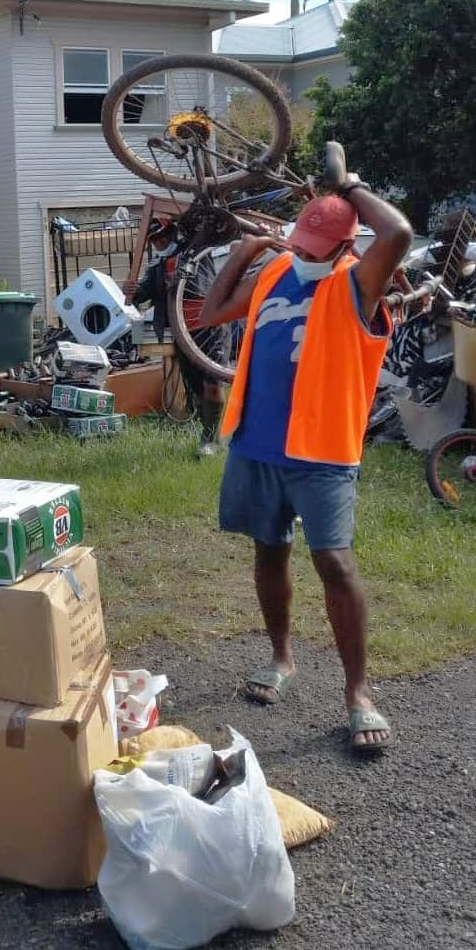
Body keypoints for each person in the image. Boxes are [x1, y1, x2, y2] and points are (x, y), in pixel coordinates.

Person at [200, 176, 412, 754]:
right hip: (257, 444)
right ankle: (281, 659)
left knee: (335, 565)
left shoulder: (358, 283)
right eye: (299, 242)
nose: (303, 253)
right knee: (269, 550)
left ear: (345, 247)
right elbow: (211, 312)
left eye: (317, 247)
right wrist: (247, 251)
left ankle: (358, 693)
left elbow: (397, 231)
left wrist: (355, 187)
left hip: (321, 453)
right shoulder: (274, 272)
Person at [125, 216, 225, 456]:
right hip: (181, 332)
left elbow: (202, 226)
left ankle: (211, 439)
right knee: (197, 389)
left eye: (163, 236)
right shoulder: (157, 267)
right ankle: (209, 435)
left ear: (173, 233)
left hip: (209, 326)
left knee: (213, 383)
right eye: (154, 240)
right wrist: (131, 291)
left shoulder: (194, 250)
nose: (160, 242)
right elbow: (139, 296)